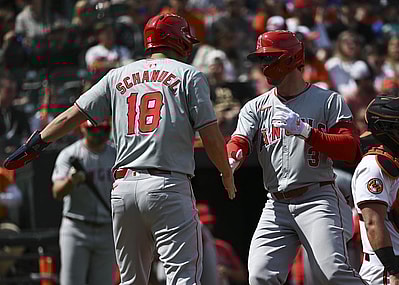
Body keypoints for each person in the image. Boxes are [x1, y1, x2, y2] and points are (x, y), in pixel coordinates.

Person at [3, 13, 236, 285]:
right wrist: (226, 172)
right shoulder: (189, 74)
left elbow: (70, 116)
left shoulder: (118, 75)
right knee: (183, 279)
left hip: (124, 188)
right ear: (178, 39)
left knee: (131, 281)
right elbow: (211, 136)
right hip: (168, 184)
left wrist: (35, 144)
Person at [226, 30, 367, 284]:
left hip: (317, 197)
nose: (264, 65)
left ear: (291, 59)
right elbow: (240, 140)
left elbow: (351, 150)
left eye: (270, 58)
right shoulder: (256, 107)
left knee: (333, 274)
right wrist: (233, 155)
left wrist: (306, 132)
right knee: (259, 276)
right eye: (262, 59)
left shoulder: (327, 100)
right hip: (276, 204)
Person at [351, 96, 399, 285]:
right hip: (389, 271)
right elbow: (373, 222)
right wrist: (394, 272)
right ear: (385, 130)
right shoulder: (374, 166)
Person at [51, 120, 116, 285]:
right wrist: (70, 181)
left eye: (104, 129)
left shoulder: (116, 153)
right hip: (76, 227)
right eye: (94, 129)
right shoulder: (70, 154)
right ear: (82, 128)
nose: (99, 133)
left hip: (107, 228)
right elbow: (56, 192)